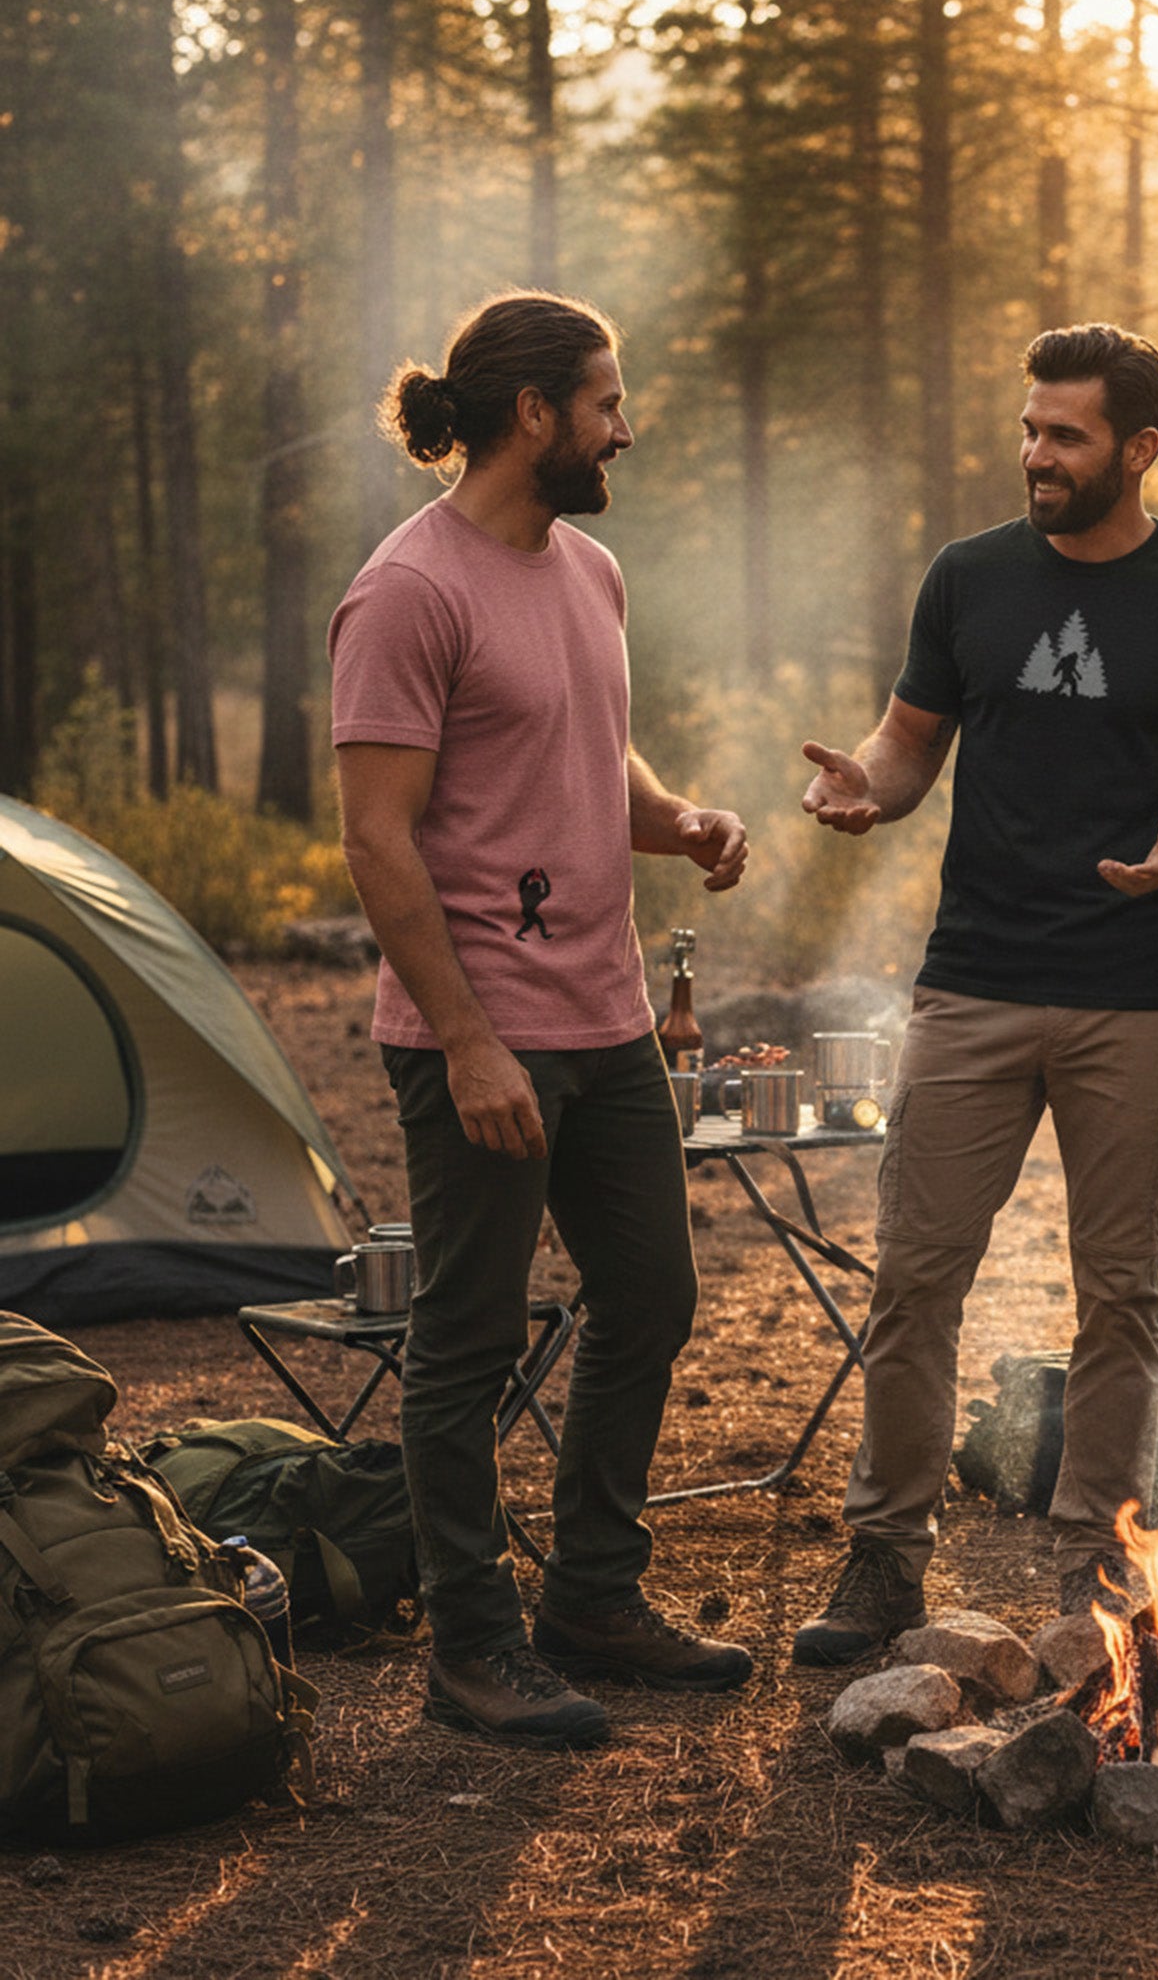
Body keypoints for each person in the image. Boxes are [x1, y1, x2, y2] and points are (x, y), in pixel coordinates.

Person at [792, 323, 1158, 1663]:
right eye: (1029, 429)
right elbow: (910, 745)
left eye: (1065, 435)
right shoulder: (969, 578)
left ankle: (1099, 1567)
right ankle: (885, 1558)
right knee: (915, 1279)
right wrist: (867, 788)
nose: (1036, 454)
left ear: (1140, 448)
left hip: (1134, 995)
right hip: (973, 983)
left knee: (1118, 1294)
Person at [329, 290, 755, 1750]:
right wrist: (466, 1042)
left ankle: (591, 1599)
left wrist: (678, 820)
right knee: (466, 1342)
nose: (625, 427)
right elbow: (378, 838)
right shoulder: (407, 591)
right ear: (532, 414)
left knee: (652, 1297)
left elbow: (586, 746)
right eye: (607, 402)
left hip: (607, 1016)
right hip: (482, 1033)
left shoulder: (590, 571)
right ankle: (471, 1647)